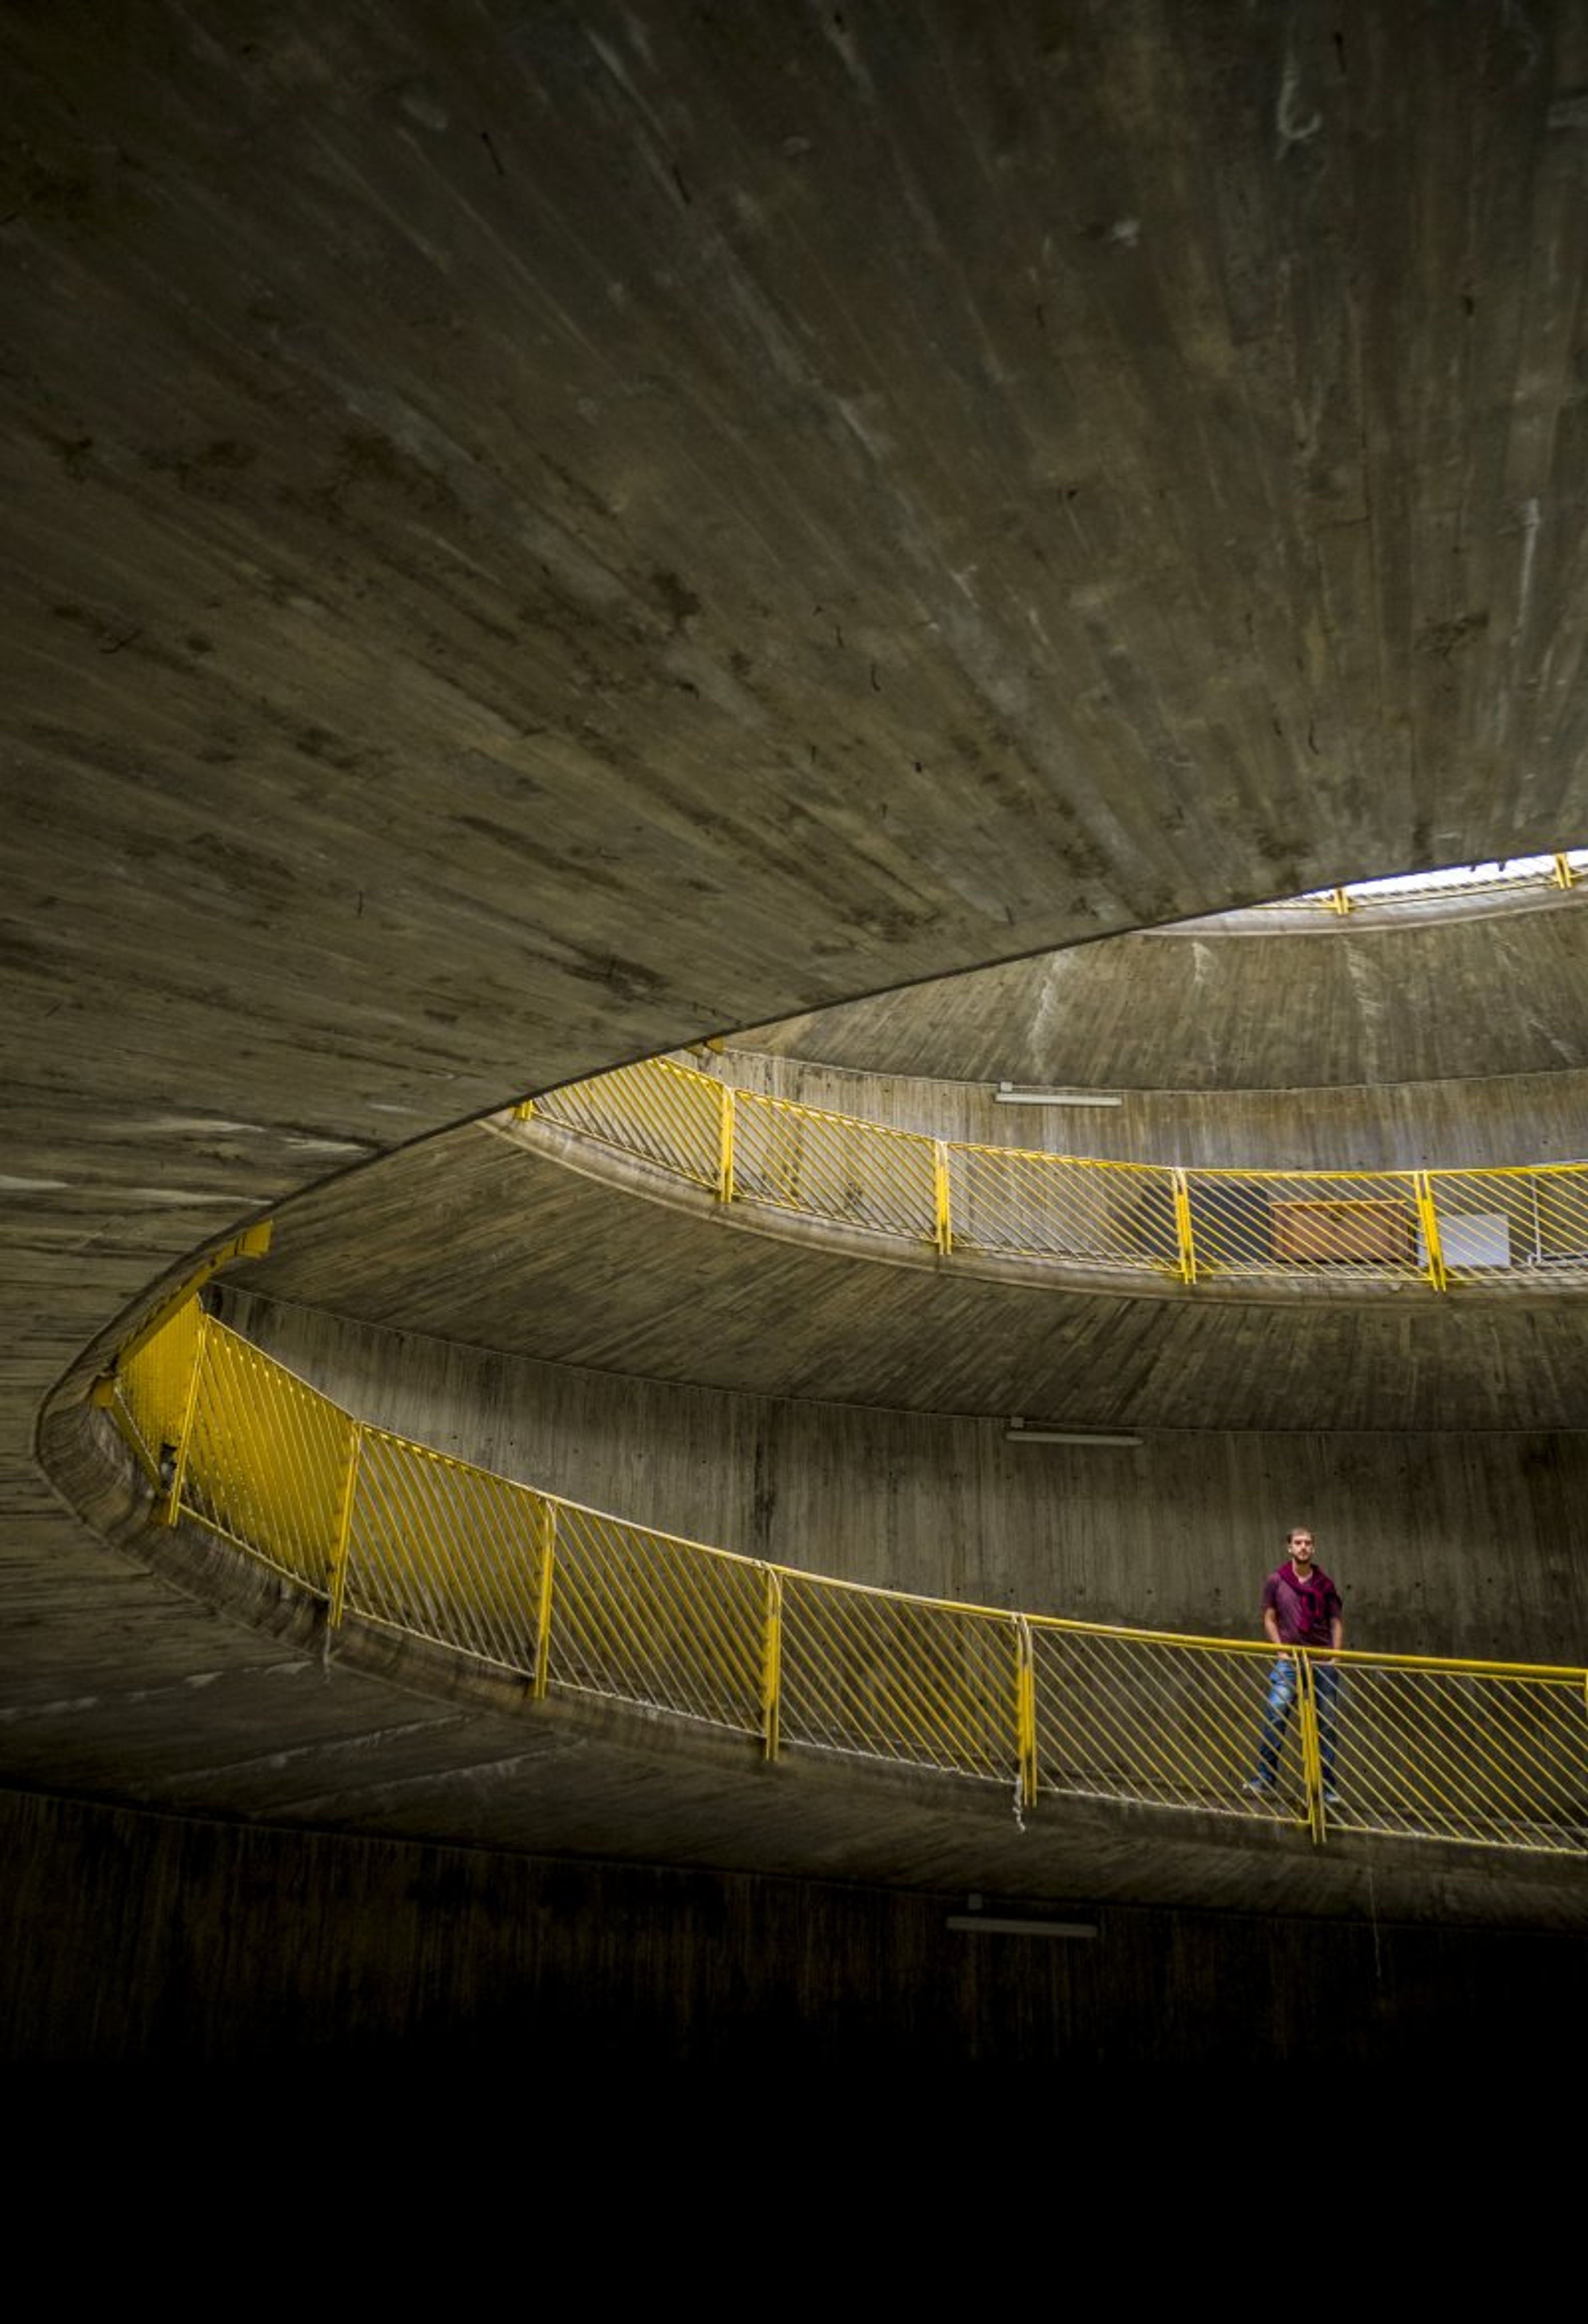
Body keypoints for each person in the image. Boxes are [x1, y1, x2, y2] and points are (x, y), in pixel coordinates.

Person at [1247, 1527, 1345, 1805]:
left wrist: (1336, 1657)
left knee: (1326, 1724)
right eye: (1298, 1543)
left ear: (1313, 1549)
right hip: (1289, 1660)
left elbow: (1336, 1621)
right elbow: (1269, 1618)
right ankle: (1264, 1779)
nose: (1303, 1547)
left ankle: (1326, 1788)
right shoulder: (1277, 1580)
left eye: (1308, 1543)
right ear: (1289, 1548)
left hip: (1322, 1661)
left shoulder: (1325, 1585)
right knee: (1276, 1714)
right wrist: (1281, 1652)